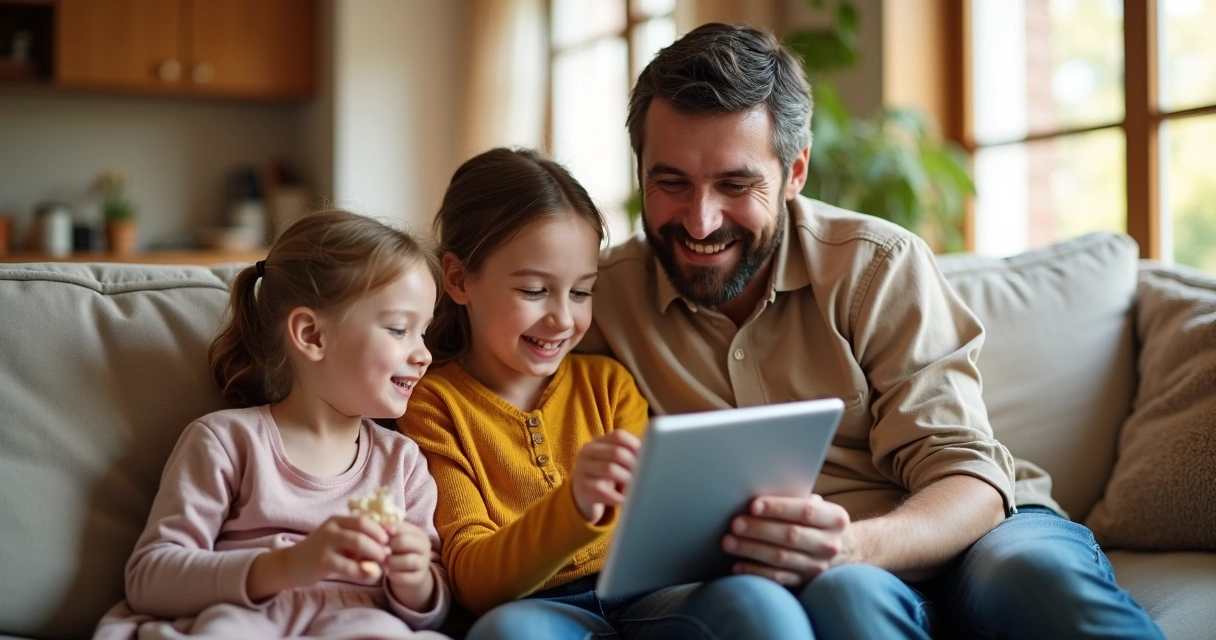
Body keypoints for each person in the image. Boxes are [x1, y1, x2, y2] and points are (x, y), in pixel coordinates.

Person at [582, 22, 1165, 640]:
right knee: (850, 597)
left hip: (970, 530)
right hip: (805, 582)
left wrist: (854, 547)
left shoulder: (876, 266)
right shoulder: (598, 300)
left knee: (1033, 579)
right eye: (671, 183)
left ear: (795, 171)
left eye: (736, 184)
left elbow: (969, 477)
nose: (700, 221)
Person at [399, 147, 812, 640]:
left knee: (759, 604)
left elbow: (658, 523)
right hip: (537, 608)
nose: (562, 319)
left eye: (581, 292)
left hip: (649, 594)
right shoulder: (433, 405)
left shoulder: (608, 385)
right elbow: (473, 582)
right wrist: (573, 505)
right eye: (534, 291)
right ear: (458, 279)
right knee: (509, 633)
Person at [94, 210, 451, 639]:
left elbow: (432, 606)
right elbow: (150, 579)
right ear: (312, 335)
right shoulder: (226, 442)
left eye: (423, 332)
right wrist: (288, 565)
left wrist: (417, 582)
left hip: (360, 624)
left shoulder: (403, 462)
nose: (424, 355)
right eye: (398, 329)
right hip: (244, 621)